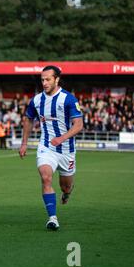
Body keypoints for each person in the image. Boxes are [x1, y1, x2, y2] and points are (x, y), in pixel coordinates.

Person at [19, 65, 83, 230]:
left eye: (48, 79)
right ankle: (52, 218)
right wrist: (24, 143)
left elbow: (78, 125)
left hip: (67, 150)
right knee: (46, 177)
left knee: (65, 186)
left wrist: (61, 138)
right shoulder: (37, 100)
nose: (45, 83)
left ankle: (67, 193)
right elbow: (28, 119)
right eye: (42, 80)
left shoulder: (68, 99)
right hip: (46, 147)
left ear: (57, 79)